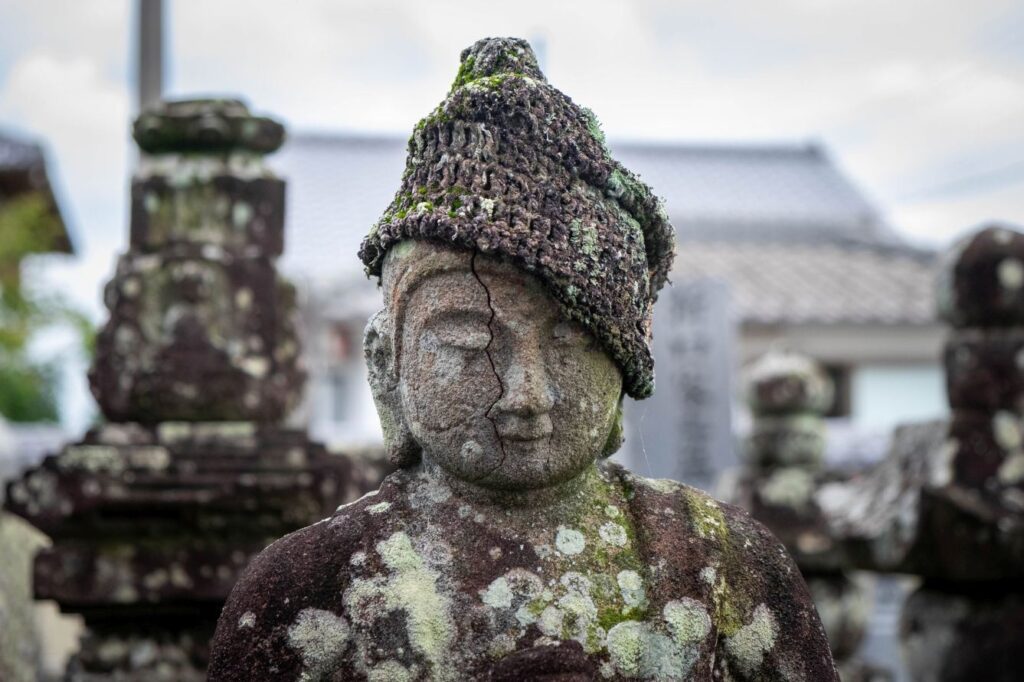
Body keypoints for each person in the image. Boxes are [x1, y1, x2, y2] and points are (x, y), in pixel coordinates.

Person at [208, 37, 837, 681]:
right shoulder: (307, 593)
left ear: (624, 370)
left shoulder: (720, 564)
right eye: (469, 340)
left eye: (573, 343)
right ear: (386, 367)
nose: (525, 394)